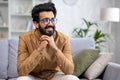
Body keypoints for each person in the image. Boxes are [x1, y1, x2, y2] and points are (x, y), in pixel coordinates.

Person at [17, 2, 79, 80]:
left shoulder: (64, 39)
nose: (50, 24)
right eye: (46, 20)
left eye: (52, 20)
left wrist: (55, 48)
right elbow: (21, 71)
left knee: (72, 78)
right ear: (36, 24)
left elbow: (69, 70)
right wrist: (39, 49)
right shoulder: (24, 38)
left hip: (54, 75)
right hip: (33, 76)